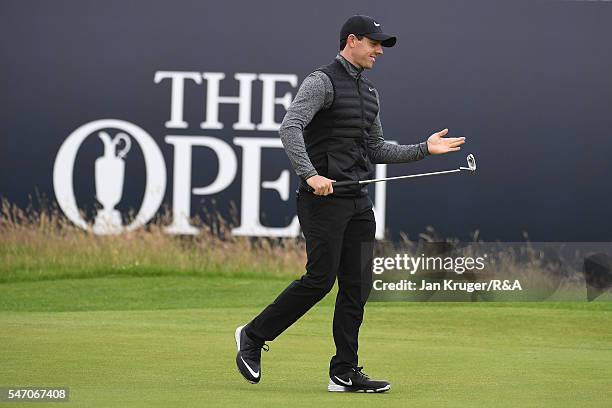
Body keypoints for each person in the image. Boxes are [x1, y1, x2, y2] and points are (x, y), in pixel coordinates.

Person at [234, 14, 466, 393]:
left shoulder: (370, 93)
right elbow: (289, 127)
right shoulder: (321, 81)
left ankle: (343, 371)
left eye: (381, 45)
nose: (379, 51)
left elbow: (375, 148)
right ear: (351, 41)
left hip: (357, 201)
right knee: (320, 280)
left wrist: (424, 149)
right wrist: (310, 175)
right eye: (374, 43)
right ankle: (252, 336)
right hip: (322, 201)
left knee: (357, 286)